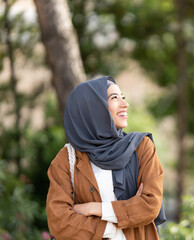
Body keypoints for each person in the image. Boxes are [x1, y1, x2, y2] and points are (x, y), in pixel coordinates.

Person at [46, 76, 166, 240]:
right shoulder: (66, 159)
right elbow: (59, 220)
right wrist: (113, 226)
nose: (125, 104)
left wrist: (93, 209)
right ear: (94, 108)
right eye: (114, 98)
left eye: (122, 97)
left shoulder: (141, 147)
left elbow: (150, 206)